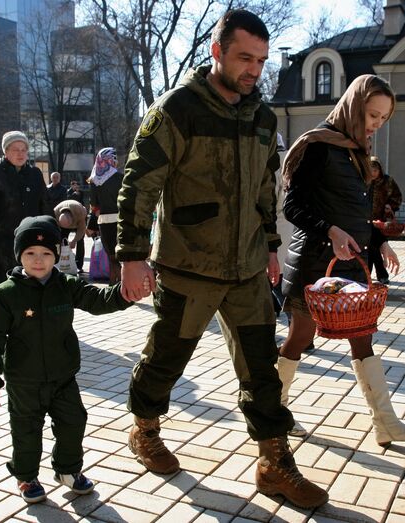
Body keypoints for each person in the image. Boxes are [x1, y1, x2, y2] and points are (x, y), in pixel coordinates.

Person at [115, 9, 327, 509]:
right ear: (217, 52)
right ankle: (144, 429)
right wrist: (131, 256)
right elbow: (138, 184)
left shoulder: (262, 117)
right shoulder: (176, 110)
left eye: (261, 60)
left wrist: (272, 248)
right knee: (167, 358)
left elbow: (263, 190)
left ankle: (275, 463)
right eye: (244, 57)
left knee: (262, 371)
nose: (254, 69)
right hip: (188, 268)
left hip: (249, 268)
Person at [279, 74, 405, 447]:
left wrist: (378, 243)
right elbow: (292, 206)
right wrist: (329, 230)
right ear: (354, 105)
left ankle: (385, 422)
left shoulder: (355, 150)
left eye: (383, 119)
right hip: (314, 264)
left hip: (351, 262)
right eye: (372, 114)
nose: (376, 124)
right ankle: (275, 411)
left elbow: (358, 213)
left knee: (363, 338)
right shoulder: (317, 145)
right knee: (300, 335)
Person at [0, 215, 134, 503]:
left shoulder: (67, 285)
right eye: (30, 254)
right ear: (19, 255)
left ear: (57, 255)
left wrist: (126, 293)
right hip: (24, 381)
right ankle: (26, 476)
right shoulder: (5, 294)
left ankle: (67, 470)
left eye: (46, 254)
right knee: (26, 431)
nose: (38, 260)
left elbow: (97, 302)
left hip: (63, 376)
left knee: (74, 422)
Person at [0, 131, 49, 302]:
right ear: (5, 152)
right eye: (15, 149)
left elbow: (45, 206)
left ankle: (24, 324)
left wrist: (51, 235)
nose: (20, 154)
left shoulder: (35, 174)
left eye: (24, 150)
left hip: (29, 241)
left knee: (28, 287)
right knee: (1, 289)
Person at [88, 147, 122, 283]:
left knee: (111, 257)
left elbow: (93, 204)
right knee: (120, 256)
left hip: (103, 222)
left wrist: (90, 224)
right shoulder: (120, 177)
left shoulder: (94, 180)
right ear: (111, 160)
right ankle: (122, 285)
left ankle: (113, 285)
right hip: (121, 220)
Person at [367, 156, 402, 285]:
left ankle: (378, 274)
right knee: (371, 248)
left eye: (375, 170)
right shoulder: (365, 181)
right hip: (367, 221)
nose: (373, 173)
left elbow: (397, 196)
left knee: (375, 247)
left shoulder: (387, 181)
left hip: (381, 221)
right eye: (371, 170)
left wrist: (390, 206)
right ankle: (375, 274)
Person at [54, 199, 88, 273]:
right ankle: (59, 263)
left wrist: (74, 240)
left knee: (80, 241)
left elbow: (81, 230)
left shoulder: (79, 211)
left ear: (72, 220)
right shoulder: (55, 212)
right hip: (62, 225)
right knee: (60, 241)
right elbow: (55, 230)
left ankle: (79, 265)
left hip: (79, 220)